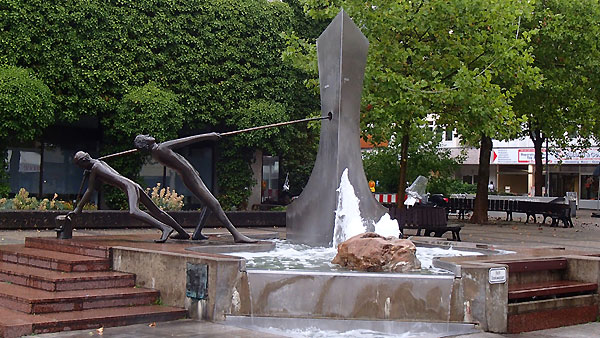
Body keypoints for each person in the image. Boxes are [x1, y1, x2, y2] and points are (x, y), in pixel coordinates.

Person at [133, 133, 257, 243]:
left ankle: (197, 233)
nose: (149, 135)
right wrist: (210, 136)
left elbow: (181, 161)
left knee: (208, 204)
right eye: (146, 137)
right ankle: (236, 235)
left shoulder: (156, 152)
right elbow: (187, 140)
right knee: (214, 203)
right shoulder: (161, 148)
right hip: (191, 179)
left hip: (191, 177)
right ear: (146, 143)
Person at [67, 151, 190, 243]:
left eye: (80, 165)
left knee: (133, 211)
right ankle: (183, 233)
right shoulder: (99, 164)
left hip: (129, 187)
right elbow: (99, 186)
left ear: (84, 161)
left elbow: (89, 190)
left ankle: (164, 228)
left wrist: (78, 208)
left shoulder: (95, 168)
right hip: (132, 185)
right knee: (157, 211)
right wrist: (90, 175)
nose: (81, 168)